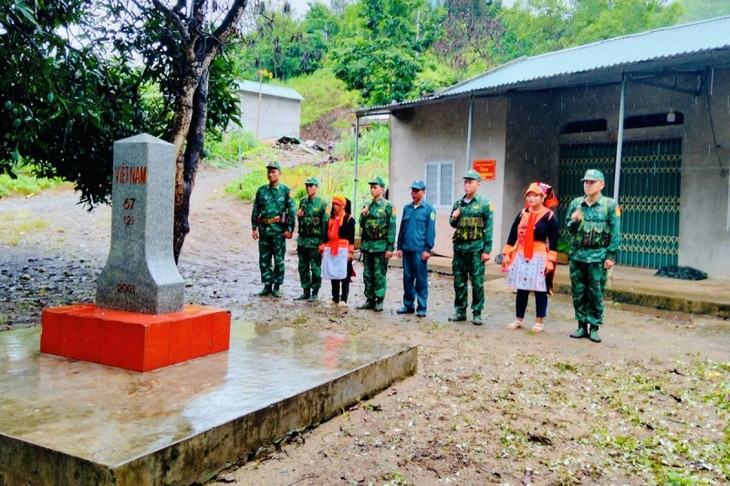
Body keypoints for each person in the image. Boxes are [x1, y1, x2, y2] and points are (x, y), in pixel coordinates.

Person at [565, 169, 622, 343]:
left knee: (595, 293)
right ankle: (581, 325)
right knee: (578, 292)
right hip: (578, 256)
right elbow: (569, 229)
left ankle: (594, 327)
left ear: (601, 184)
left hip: (598, 257)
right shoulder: (576, 203)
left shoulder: (610, 205)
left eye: (591, 182)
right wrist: (574, 220)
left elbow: (615, 232)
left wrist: (611, 255)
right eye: (585, 182)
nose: (587, 185)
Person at [501, 182, 560, 333]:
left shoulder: (549, 216)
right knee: (521, 288)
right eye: (529, 195)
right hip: (521, 254)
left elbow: (554, 241)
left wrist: (551, 261)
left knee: (540, 289)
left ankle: (539, 321)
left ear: (542, 197)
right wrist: (507, 253)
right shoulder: (522, 213)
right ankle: (518, 319)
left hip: (539, 255)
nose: (531, 198)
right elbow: (513, 234)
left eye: (535, 195)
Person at [448, 169, 493, 325]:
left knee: (477, 282)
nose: (466, 185)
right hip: (460, 248)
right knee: (459, 281)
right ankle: (460, 310)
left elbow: (489, 228)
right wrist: (454, 216)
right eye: (465, 182)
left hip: (476, 249)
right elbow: (452, 223)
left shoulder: (484, 205)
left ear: (478, 185)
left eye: (470, 182)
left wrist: (487, 251)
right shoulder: (458, 203)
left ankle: (477, 312)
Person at [251, 161, 296, 298]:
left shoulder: (286, 191)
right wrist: (254, 227)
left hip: (278, 232)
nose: (270, 174)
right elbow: (256, 210)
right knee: (264, 260)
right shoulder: (262, 190)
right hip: (264, 231)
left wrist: (290, 229)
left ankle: (277, 286)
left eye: (273, 172)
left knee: (278, 260)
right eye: (269, 172)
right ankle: (267, 285)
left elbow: (292, 211)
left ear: (279, 173)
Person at [396, 180, 436, 317]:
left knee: (421, 279)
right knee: (407, 278)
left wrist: (427, 249)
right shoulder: (407, 208)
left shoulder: (429, 210)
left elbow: (430, 231)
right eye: (412, 190)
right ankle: (408, 305)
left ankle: (422, 307)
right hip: (407, 249)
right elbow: (402, 228)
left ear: (423, 192)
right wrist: (399, 246)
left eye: (417, 191)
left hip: (420, 250)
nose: (413, 193)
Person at [357, 176, 396, 312]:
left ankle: (379, 300)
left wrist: (390, 248)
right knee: (367, 274)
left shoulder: (388, 206)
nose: (372, 190)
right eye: (371, 188)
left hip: (380, 246)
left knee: (379, 274)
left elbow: (391, 228)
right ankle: (370, 299)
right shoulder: (368, 205)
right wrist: (363, 214)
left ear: (382, 189)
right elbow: (361, 223)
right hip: (368, 246)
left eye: (375, 187)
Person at [295, 177, 329, 302]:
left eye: (311, 186)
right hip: (303, 241)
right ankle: (305, 291)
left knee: (315, 268)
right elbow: (301, 220)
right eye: (307, 186)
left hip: (315, 242)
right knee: (302, 268)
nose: (308, 188)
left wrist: (324, 242)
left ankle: (315, 292)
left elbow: (325, 224)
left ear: (317, 187)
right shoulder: (303, 201)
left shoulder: (323, 204)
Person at [321, 194, 356, 306]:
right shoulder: (331, 218)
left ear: (343, 205)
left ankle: (344, 299)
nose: (335, 206)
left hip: (343, 249)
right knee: (333, 272)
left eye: (337, 204)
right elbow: (326, 234)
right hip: (332, 247)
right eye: (334, 204)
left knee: (344, 273)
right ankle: (335, 297)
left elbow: (351, 237)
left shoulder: (349, 219)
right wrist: (323, 245)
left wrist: (350, 251)